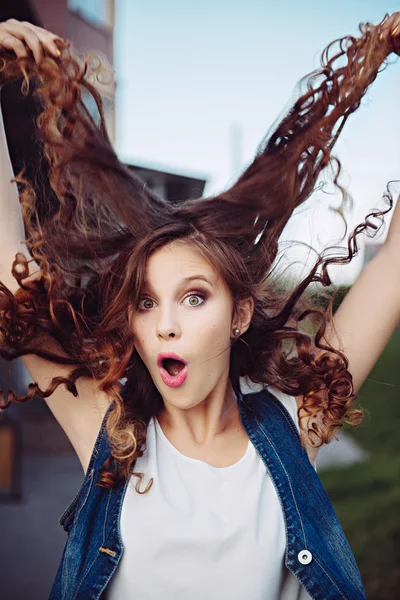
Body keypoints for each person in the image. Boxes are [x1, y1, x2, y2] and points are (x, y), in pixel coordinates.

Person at [0, 12, 399, 600]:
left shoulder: (295, 429)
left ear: (238, 314)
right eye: (145, 301)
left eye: (193, 297)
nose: (165, 325)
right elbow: (8, 273)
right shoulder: (109, 432)